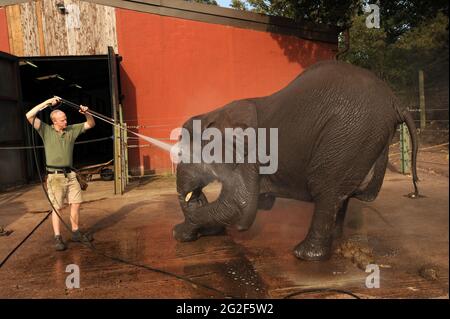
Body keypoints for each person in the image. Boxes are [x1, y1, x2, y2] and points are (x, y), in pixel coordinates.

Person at [26, 97, 95, 251]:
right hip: (55, 176)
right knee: (57, 207)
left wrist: (87, 113)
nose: (66, 121)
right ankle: (58, 237)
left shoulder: (71, 130)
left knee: (76, 203)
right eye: (62, 120)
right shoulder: (46, 130)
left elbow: (90, 124)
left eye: (65, 119)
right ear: (54, 121)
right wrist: (46, 102)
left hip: (70, 175)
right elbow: (29, 116)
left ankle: (76, 232)